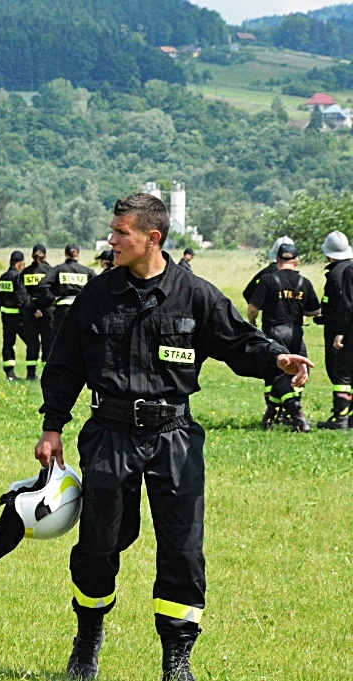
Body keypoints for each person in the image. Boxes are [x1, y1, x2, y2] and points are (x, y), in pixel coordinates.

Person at [33, 193, 311, 681]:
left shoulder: (194, 294)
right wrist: (52, 426)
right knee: (98, 545)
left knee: (183, 549)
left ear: (151, 238)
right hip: (109, 434)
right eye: (113, 232)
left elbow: (237, 340)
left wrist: (277, 359)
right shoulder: (97, 295)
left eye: (121, 233)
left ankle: (177, 656)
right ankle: (88, 635)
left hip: (174, 437)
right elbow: (65, 364)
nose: (111, 240)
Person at [248, 243, 320, 431]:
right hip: (295, 333)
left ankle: (283, 415)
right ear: (297, 260)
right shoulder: (304, 282)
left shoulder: (267, 280)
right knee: (301, 370)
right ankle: (293, 416)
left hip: (273, 333)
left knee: (279, 374)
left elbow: (253, 308)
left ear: (277, 259)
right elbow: (314, 310)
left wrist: (252, 322)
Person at [243, 236, 294, 420]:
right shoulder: (295, 277)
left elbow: (248, 293)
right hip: (293, 329)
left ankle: (273, 411)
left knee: (272, 368)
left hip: (271, 326)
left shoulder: (265, 274)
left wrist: (263, 303)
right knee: (291, 367)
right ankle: (288, 411)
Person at [316, 230, 353, 429]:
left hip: (344, 330)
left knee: (342, 373)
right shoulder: (348, 269)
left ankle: (340, 419)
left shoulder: (340, 272)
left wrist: (339, 332)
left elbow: (346, 305)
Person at [37, 244, 96, 342]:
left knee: (60, 340)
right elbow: (98, 286)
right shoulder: (86, 271)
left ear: (65, 254)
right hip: (81, 310)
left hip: (62, 310)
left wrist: (52, 298)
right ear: (78, 254)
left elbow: (42, 285)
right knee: (79, 340)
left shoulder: (58, 269)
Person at [0, 250, 31, 380]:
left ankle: (9, 373)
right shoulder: (18, 277)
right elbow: (22, 297)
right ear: (19, 263)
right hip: (19, 318)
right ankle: (31, 373)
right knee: (33, 343)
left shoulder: (3, 277)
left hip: (6, 318)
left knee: (8, 344)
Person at [22, 244, 54, 380]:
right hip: (48, 311)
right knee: (48, 342)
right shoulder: (51, 271)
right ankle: (48, 373)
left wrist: (34, 308)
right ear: (45, 255)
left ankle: (30, 373)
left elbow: (23, 294)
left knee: (32, 342)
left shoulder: (25, 272)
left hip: (30, 312)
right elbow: (52, 292)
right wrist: (43, 307)